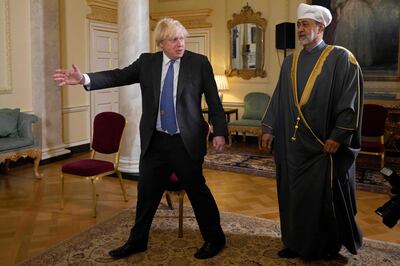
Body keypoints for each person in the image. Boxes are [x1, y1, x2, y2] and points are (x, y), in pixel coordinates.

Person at [53, 18, 227, 260]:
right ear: (161, 43)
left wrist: (219, 131)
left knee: (198, 192)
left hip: (185, 142)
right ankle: (137, 241)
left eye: (183, 38)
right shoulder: (148, 62)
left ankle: (214, 239)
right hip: (155, 142)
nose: (180, 44)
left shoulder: (198, 63)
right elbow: (118, 76)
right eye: (174, 39)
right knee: (146, 194)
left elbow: (215, 102)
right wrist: (84, 78)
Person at [261, 3, 363, 260]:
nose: (300, 29)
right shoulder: (290, 62)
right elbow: (278, 98)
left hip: (322, 148)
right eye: (299, 24)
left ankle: (325, 247)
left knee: (320, 199)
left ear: (320, 28)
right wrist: (269, 128)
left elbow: (349, 102)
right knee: (292, 195)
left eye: (305, 24)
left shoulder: (341, 58)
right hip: (291, 147)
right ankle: (294, 243)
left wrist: (338, 136)